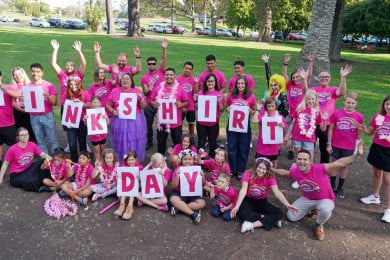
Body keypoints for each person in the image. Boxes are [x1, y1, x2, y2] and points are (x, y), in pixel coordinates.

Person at [272, 142, 363, 240]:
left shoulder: (320, 169)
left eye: (305, 159)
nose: (302, 161)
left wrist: (356, 155)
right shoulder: (295, 171)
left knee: (326, 209)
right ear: (296, 160)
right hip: (308, 198)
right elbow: (285, 173)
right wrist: (271, 169)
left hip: (325, 199)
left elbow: (339, 163)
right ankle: (312, 210)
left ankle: (319, 224)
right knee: (291, 217)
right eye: (299, 159)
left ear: (310, 161)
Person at [230, 158, 298, 233]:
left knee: (279, 213)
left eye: (264, 169)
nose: (261, 170)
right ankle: (269, 220)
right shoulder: (248, 174)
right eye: (259, 167)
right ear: (256, 167)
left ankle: (250, 225)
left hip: (261, 201)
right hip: (248, 199)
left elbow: (277, 192)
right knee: (242, 213)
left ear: (267, 170)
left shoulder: (269, 177)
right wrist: (237, 206)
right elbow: (243, 190)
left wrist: (287, 205)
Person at [285, 90, 326, 189]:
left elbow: (323, 129)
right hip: (297, 138)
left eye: (313, 99)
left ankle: (308, 179)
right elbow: (293, 124)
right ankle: (299, 179)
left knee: (309, 160)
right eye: (309, 99)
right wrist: (286, 136)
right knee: (299, 159)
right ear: (305, 99)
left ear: (316, 100)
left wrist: (324, 119)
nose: (311, 101)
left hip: (309, 139)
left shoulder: (317, 112)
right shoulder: (299, 109)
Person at [311, 65, 353, 163]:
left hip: (327, 124)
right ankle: (309, 170)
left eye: (326, 77)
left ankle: (324, 171)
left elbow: (342, 92)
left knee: (325, 149)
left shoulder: (333, 90)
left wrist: (343, 77)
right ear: (318, 79)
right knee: (310, 148)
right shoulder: (314, 89)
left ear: (329, 79)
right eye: (321, 77)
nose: (324, 79)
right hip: (312, 123)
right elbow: (305, 93)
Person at [359, 95, 390, 223]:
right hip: (377, 148)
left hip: (389, 151)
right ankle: (375, 196)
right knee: (377, 173)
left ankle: (388, 209)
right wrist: (362, 128)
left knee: (388, 180)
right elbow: (370, 131)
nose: (388, 106)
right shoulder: (378, 117)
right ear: (384, 105)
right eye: (387, 104)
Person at [327, 92, 363, 198]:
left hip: (349, 146)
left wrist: (357, 147)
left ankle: (340, 187)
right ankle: (332, 185)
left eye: (352, 103)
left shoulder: (359, 116)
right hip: (336, 144)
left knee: (344, 166)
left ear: (356, 103)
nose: (350, 105)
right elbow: (331, 129)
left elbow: (359, 133)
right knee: (334, 164)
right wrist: (329, 143)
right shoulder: (336, 113)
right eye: (348, 102)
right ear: (344, 102)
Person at [106, 73, 147, 162]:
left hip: (134, 120)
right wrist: (113, 111)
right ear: (120, 81)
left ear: (131, 81)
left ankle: (132, 160)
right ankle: (121, 158)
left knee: (132, 139)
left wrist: (141, 99)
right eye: (123, 78)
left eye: (127, 79)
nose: (125, 80)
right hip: (119, 120)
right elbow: (108, 105)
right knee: (120, 139)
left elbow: (143, 107)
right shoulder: (115, 91)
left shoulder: (137, 91)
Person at [282, 53, 315, 159]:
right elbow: (284, 75)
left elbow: (309, 75)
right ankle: (278, 146)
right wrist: (285, 63)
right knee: (284, 128)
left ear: (300, 77)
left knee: (297, 131)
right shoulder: (290, 85)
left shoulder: (303, 85)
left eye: (297, 77)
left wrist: (310, 62)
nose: (295, 79)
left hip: (301, 114)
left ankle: (292, 150)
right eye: (294, 77)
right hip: (291, 113)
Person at [0, 127, 52, 191]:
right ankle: (44, 188)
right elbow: (5, 164)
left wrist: (54, 160)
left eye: (26, 134)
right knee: (31, 181)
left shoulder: (32, 145)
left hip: (28, 169)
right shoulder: (12, 149)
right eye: (22, 135)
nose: (25, 136)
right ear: (18, 137)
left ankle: (53, 178)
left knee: (44, 161)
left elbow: (43, 154)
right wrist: (0, 178)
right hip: (17, 174)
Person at [150, 68, 189, 155]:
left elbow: (187, 102)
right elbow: (152, 100)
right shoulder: (158, 89)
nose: (169, 77)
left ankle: (178, 161)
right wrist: (154, 103)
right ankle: (160, 161)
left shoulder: (180, 89)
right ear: (165, 76)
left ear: (174, 76)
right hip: (162, 122)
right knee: (161, 143)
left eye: (171, 75)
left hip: (176, 123)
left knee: (178, 143)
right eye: (167, 75)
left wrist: (181, 105)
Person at [226, 76, 256, 179]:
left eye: (242, 84)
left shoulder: (250, 96)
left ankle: (241, 170)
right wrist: (228, 109)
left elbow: (253, 109)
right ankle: (233, 168)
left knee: (243, 147)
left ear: (246, 85)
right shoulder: (231, 95)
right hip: (232, 124)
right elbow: (227, 107)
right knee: (232, 146)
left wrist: (250, 112)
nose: (240, 85)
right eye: (238, 83)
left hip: (244, 125)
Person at [141, 39, 168, 149]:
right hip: (149, 104)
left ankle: (162, 142)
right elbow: (145, 92)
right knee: (148, 124)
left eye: (153, 64)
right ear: (147, 65)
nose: (151, 65)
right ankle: (149, 142)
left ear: (156, 64)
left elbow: (164, 60)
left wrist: (164, 48)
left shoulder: (160, 71)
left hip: (161, 102)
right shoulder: (144, 78)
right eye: (149, 64)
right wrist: (149, 89)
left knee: (162, 124)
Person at [27, 63, 59, 154]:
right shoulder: (28, 86)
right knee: (40, 140)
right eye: (33, 71)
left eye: (37, 71)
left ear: (42, 73)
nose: (35, 73)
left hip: (47, 116)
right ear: (31, 72)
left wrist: (48, 97)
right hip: (34, 117)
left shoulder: (49, 85)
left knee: (52, 139)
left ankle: (57, 161)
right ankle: (45, 161)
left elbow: (55, 103)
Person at [170, 149, 206, 224]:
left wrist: (202, 177)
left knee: (202, 203)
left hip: (193, 193)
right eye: (185, 159)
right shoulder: (178, 169)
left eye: (190, 159)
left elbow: (203, 184)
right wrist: (177, 176)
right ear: (181, 160)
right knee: (173, 199)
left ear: (193, 160)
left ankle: (179, 208)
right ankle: (193, 214)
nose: (187, 161)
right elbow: (173, 186)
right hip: (179, 192)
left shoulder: (197, 168)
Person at [50, 39, 86, 110]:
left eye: (71, 65)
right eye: (67, 65)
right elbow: (53, 63)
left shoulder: (78, 74)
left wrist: (79, 51)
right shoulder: (62, 74)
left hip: (77, 103)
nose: (69, 67)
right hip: (65, 103)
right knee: (64, 121)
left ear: (74, 67)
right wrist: (55, 49)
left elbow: (84, 63)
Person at [196, 73, 225, 158]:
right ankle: (200, 161)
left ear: (215, 82)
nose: (210, 83)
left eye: (212, 81)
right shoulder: (201, 93)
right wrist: (196, 100)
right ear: (206, 82)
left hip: (213, 123)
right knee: (201, 143)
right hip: (201, 122)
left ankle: (211, 161)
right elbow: (197, 107)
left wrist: (219, 101)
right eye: (208, 81)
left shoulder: (219, 94)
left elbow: (221, 109)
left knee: (212, 143)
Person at [252, 97, 287, 168]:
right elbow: (254, 121)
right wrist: (258, 109)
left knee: (274, 162)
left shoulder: (280, 117)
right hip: (263, 145)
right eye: (268, 106)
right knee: (259, 162)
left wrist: (282, 126)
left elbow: (283, 131)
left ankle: (273, 176)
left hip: (273, 145)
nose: (271, 108)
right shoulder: (263, 117)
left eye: (272, 106)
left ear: (276, 106)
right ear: (266, 107)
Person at [64, 78, 91, 162]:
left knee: (82, 142)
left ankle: (84, 162)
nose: (73, 86)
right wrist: (66, 121)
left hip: (82, 121)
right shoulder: (68, 94)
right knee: (72, 144)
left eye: (75, 84)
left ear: (79, 84)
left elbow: (90, 105)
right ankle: (74, 162)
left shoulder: (85, 93)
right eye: (71, 85)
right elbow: (65, 108)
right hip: (71, 122)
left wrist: (81, 104)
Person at [0, 73, 23, 167]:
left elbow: (19, 95)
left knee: (13, 144)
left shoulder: (8, 87)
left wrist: (3, 88)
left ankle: (19, 160)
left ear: (0, 76)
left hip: (7, 123)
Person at [114, 150, 144, 220]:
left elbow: (142, 180)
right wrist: (117, 177)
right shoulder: (124, 167)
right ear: (126, 160)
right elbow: (121, 180)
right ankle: (122, 205)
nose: (130, 161)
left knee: (132, 187)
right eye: (129, 160)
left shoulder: (139, 167)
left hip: (136, 186)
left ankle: (130, 207)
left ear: (136, 159)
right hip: (127, 186)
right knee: (124, 186)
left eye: (132, 159)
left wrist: (139, 176)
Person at [10, 67, 36, 142]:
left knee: (31, 132)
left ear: (23, 74)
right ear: (13, 77)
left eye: (19, 74)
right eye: (15, 75)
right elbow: (12, 102)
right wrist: (21, 109)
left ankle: (32, 150)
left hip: (31, 113)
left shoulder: (31, 85)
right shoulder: (12, 87)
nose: (18, 76)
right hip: (18, 113)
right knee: (21, 132)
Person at [176, 61, 198, 141]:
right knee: (179, 123)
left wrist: (196, 83)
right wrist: (182, 106)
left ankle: (191, 139)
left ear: (191, 70)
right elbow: (175, 94)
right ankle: (178, 140)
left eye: (189, 69)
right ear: (183, 68)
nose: (187, 70)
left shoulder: (193, 80)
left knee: (191, 123)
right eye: (186, 68)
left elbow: (195, 93)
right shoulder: (177, 79)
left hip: (190, 106)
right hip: (180, 105)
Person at [85, 96, 110, 161]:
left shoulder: (103, 112)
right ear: (91, 103)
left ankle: (104, 162)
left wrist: (106, 118)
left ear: (100, 103)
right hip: (93, 135)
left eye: (97, 102)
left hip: (102, 134)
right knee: (96, 150)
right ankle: (97, 163)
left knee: (103, 148)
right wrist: (85, 119)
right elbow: (87, 125)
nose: (96, 104)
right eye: (94, 102)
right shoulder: (89, 112)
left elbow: (107, 124)